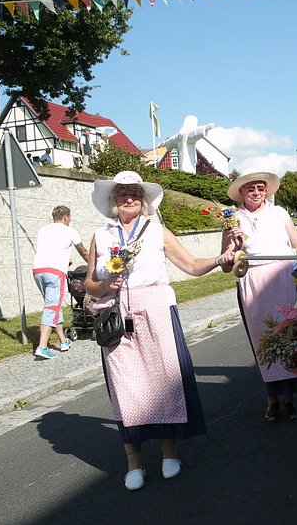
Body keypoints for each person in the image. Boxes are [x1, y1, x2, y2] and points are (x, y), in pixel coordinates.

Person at [84, 171, 234, 491]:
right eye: (123, 192)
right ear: (113, 200)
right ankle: (133, 462)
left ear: (143, 199)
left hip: (156, 308)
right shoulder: (102, 235)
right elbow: (88, 285)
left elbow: (191, 265)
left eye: (135, 193)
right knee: (127, 389)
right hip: (117, 315)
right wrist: (105, 283)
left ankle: (169, 455)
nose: (129, 197)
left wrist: (221, 259)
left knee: (163, 382)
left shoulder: (158, 231)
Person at [221, 172, 297, 423]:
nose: (256, 192)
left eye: (261, 188)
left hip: (283, 277)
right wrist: (234, 247)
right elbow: (226, 264)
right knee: (263, 341)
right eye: (250, 188)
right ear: (241, 192)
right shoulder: (232, 219)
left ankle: (290, 398)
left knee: (289, 335)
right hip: (253, 280)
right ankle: (272, 399)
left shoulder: (279, 213)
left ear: (267, 191)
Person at [32, 206, 89, 359]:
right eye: (69, 217)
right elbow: (83, 251)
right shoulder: (70, 230)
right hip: (54, 272)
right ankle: (42, 347)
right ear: (65, 217)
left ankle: (64, 341)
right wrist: (93, 265)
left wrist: (66, 260)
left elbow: (49, 249)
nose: (70, 220)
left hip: (38, 270)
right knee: (51, 307)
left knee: (53, 305)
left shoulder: (43, 230)